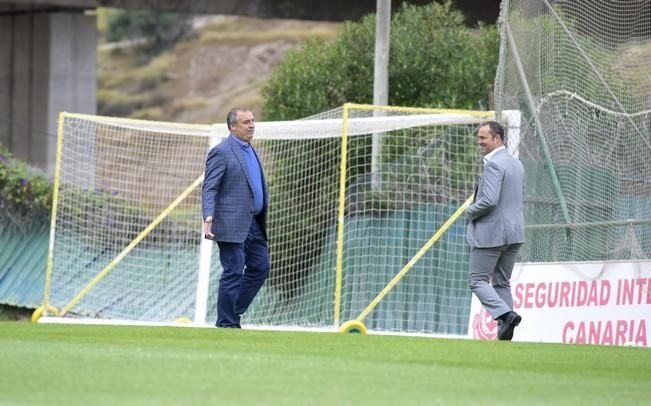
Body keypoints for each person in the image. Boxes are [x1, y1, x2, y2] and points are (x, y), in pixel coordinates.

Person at [202, 107, 270, 328]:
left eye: (252, 121)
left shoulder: (251, 150)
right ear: (232, 127)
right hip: (231, 224)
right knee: (233, 272)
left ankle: (232, 313)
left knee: (261, 267)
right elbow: (210, 187)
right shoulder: (221, 151)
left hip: (255, 223)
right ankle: (227, 323)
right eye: (245, 122)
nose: (251, 125)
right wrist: (208, 214)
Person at [465, 121, 525, 341]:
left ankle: (506, 315)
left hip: (492, 234)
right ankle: (505, 333)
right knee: (501, 282)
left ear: (497, 138)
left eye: (484, 138)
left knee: (477, 280)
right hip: (515, 233)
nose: (479, 141)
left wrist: (469, 212)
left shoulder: (493, 164)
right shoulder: (517, 164)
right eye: (479, 137)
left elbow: (489, 201)